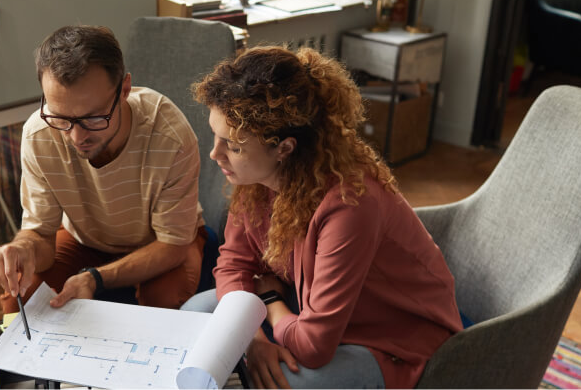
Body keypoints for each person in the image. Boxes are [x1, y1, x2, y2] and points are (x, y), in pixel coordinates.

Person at [181, 46, 462, 389]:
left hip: (391, 340)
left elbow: (313, 347)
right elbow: (233, 265)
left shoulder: (350, 204)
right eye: (217, 136)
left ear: (284, 148)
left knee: (279, 383)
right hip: (304, 305)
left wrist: (270, 302)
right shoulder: (256, 179)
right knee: (194, 315)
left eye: (233, 146)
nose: (215, 154)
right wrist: (253, 340)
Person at [0, 25, 205, 312]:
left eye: (94, 118)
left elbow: (173, 246)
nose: (77, 137)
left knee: (162, 300)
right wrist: (24, 247)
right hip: (84, 239)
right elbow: (41, 238)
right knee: (20, 300)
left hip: (161, 242)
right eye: (61, 118)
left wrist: (95, 278)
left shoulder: (169, 136)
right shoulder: (39, 134)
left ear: (124, 89)